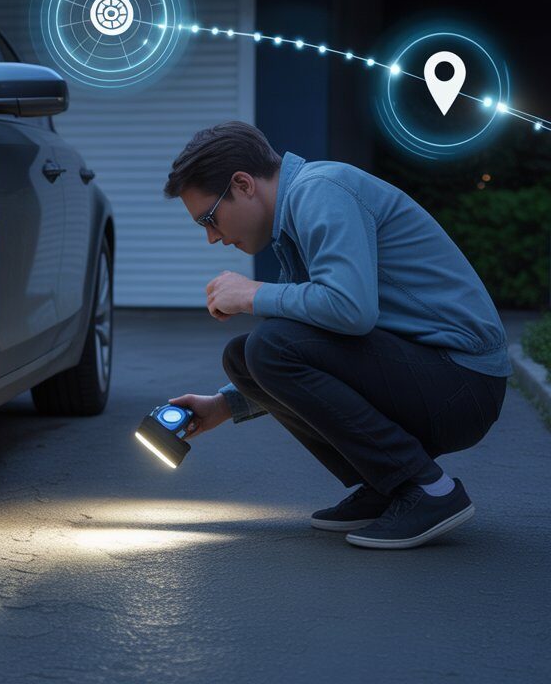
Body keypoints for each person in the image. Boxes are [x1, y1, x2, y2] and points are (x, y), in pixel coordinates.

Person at [164, 121, 510, 550]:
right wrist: (222, 406)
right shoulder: (295, 218)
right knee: (245, 355)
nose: (212, 237)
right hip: (436, 374)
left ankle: (429, 490)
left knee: (269, 345)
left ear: (243, 184)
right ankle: (389, 485)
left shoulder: (321, 190)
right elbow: (317, 342)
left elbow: (351, 310)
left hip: (463, 382)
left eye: (210, 219)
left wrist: (254, 294)